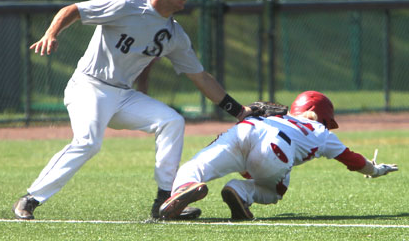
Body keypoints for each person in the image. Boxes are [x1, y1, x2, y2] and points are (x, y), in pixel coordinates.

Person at [12, 0, 252, 220]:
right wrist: (51, 33)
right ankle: (31, 198)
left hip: (123, 96)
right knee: (89, 142)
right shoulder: (124, 5)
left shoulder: (174, 34)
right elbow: (74, 10)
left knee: (171, 121)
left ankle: (164, 202)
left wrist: (239, 110)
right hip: (89, 86)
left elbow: (202, 78)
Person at [158, 91, 399, 220]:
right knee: (275, 191)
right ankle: (240, 191)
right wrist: (375, 169)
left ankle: (184, 188)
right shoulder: (320, 131)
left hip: (247, 129)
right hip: (275, 151)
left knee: (195, 166)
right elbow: (352, 160)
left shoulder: (278, 115)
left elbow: (250, 115)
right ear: (318, 113)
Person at [131, 0, 156, 94]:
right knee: (130, 77)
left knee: (144, 77)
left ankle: (141, 104)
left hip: (150, 45)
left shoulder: (158, 1)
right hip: (131, 44)